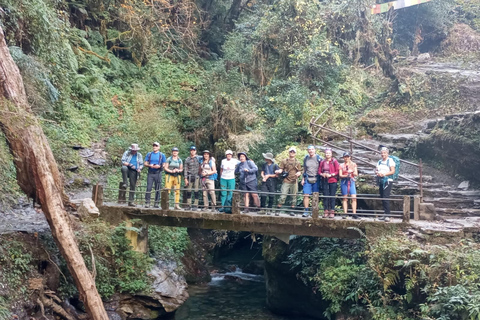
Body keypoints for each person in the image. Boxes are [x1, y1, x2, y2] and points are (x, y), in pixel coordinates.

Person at [275, 147, 302, 216]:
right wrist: (278, 171)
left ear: (295, 153)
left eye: (293, 152)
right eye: (291, 152)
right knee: (283, 196)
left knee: (294, 196)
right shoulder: (284, 161)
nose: (292, 153)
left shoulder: (297, 162)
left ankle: (292, 210)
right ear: (289, 152)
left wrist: (298, 174)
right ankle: (278, 209)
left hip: (294, 180)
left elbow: (299, 171)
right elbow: (281, 169)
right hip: (286, 180)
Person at [301, 145, 322, 217]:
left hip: (316, 178)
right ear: (307, 150)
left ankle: (314, 211)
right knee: (306, 194)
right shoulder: (306, 158)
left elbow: (322, 168)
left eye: (312, 149)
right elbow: (304, 169)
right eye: (309, 149)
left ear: (315, 150)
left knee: (315, 195)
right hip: (307, 178)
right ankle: (306, 211)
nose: (311, 151)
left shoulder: (319, 158)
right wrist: (303, 178)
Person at [144, 142, 166, 208]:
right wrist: (149, 165)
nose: (154, 147)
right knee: (148, 188)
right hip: (150, 172)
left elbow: (164, 164)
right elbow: (145, 163)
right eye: (154, 146)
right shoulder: (149, 154)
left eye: (156, 146)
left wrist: (159, 166)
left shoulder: (162, 155)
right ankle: (147, 202)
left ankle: (156, 203)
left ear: (159, 147)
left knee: (157, 188)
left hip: (158, 173)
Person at [376, 147, 395, 222]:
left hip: (388, 181)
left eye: (384, 153)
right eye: (382, 153)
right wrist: (378, 173)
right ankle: (385, 214)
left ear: (387, 153)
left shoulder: (390, 161)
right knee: (382, 196)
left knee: (385, 196)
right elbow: (376, 170)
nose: (383, 154)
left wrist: (384, 174)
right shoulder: (379, 162)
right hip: (381, 180)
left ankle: (388, 215)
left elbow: (392, 171)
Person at [318, 148, 339, 218]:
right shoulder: (322, 162)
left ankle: (332, 211)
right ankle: (326, 211)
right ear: (325, 154)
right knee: (325, 196)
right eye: (327, 153)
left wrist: (331, 174)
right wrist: (322, 174)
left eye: (329, 153)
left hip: (333, 180)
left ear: (331, 154)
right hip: (325, 180)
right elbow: (319, 171)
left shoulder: (334, 161)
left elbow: (337, 171)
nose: (328, 154)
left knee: (332, 196)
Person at [339, 152, 359, 219]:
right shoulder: (341, 165)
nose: (346, 158)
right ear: (343, 157)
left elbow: (356, 173)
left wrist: (352, 171)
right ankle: (345, 213)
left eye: (347, 157)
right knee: (345, 198)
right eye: (345, 157)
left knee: (354, 197)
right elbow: (340, 175)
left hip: (351, 181)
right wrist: (346, 175)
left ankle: (354, 213)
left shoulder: (353, 164)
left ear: (350, 157)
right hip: (344, 181)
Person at [183, 146, 201, 210]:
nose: (192, 151)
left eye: (194, 150)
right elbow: (185, 169)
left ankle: (196, 205)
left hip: (196, 176)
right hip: (189, 176)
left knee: (196, 191)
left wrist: (212, 158)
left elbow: (206, 157)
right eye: (191, 150)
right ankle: (189, 205)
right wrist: (185, 178)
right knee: (189, 191)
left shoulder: (199, 158)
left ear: (195, 151)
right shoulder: (187, 159)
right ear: (190, 151)